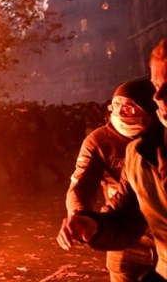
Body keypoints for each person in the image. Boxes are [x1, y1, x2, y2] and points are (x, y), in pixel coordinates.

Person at [58, 37, 167, 281]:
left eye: (128, 106)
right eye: (156, 86)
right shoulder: (138, 153)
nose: (159, 97)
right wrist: (86, 221)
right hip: (131, 242)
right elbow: (123, 212)